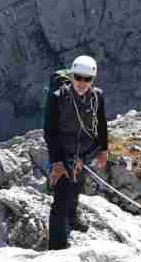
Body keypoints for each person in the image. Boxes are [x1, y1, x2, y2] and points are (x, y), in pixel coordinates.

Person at [43, 55, 108, 250]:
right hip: (62, 154)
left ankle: (73, 217)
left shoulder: (97, 97)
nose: (81, 83)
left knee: (77, 186)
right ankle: (57, 248)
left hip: (83, 152)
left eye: (87, 79)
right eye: (78, 77)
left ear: (92, 80)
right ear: (72, 76)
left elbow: (102, 125)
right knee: (61, 200)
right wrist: (57, 163)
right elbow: (50, 132)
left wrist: (103, 150)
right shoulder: (57, 98)